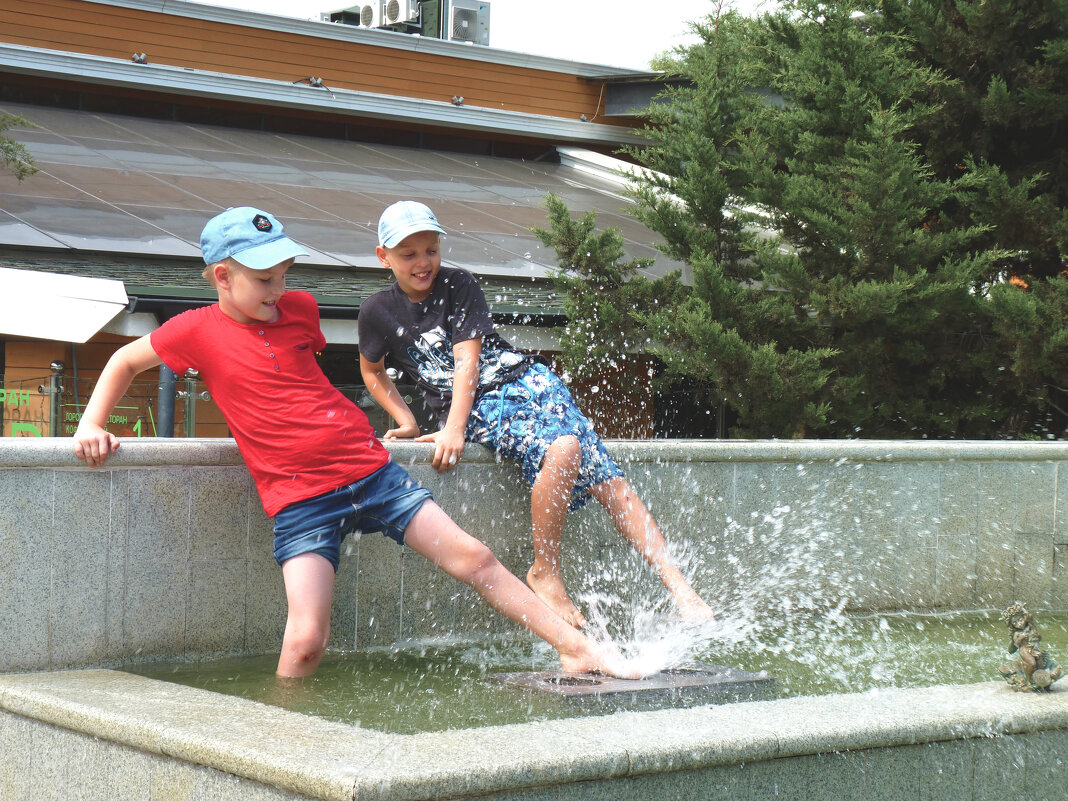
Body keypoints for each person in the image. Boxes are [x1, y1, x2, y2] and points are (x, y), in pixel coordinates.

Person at [73, 206, 634, 680]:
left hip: (370, 470)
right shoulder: (193, 330)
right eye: (264, 280)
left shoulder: (299, 310)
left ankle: (577, 649)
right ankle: (277, 750)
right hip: (300, 499)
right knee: (306, 640)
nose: (280, 290)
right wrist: (90, 424)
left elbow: (298, 379)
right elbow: (124, 359)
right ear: (222, 276)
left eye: (284, 274)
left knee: (475, 557)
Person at [358, 200, 716, 629]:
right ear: (384, 257)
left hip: (533, 382)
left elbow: (467, 358)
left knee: (610, 480)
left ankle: (679, 587)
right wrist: (411, 420)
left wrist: (449, 428)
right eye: (408, 254)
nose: (423, 263)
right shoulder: (377, 312)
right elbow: (372, 370)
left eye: (431, 250)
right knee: (565, 448)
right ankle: (544, 570)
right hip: (482, 405)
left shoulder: (459, 284)